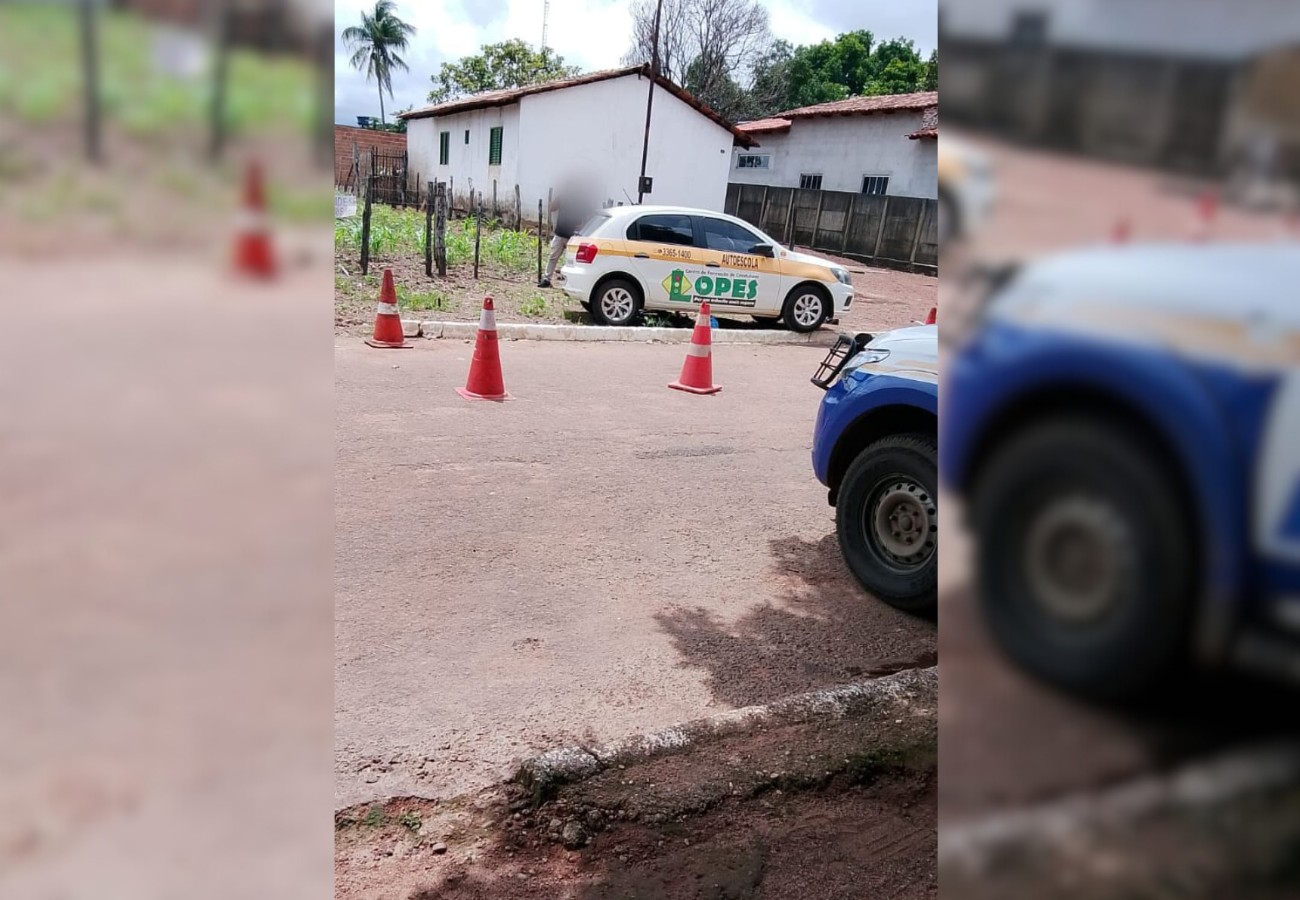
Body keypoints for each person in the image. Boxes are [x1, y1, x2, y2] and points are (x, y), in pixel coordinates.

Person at [539, 183, 590, 288]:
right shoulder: (563, 197)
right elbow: (552, 208)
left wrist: (582, 226)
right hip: (560, 233)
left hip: (573, 236)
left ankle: (569, 283)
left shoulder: (582, 201)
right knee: (553, 257)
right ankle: (547, 279)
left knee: (572, 261)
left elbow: (587, 216)